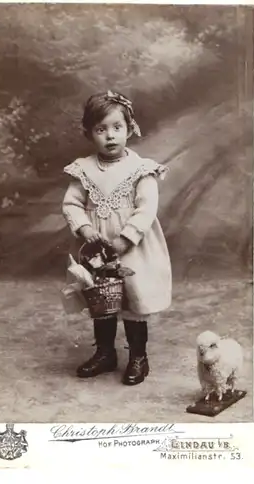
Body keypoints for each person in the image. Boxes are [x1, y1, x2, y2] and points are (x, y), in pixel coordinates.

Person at [62, 90, 172, 386]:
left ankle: (138, 356)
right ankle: (105, 353)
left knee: (133, 301)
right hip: (97, 252)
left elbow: (146, 208)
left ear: (130, 128)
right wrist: (85, 229)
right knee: (102, 300)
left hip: (132, 249)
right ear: (89, 133)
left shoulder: (141, 169)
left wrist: (126, 239)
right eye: (101, 129)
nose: (110, 136)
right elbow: (71, 203)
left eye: (117, 127)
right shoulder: (83, 169)